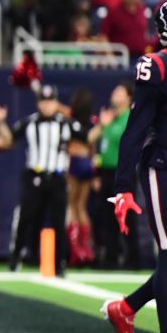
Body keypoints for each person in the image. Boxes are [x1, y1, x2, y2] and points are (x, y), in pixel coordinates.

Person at [102, 0, 167, 333]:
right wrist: (123, 187)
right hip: (164, 165)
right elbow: (135, 130)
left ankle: (125, 308)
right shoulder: (158, 67)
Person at [0, 85, 82, 275]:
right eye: (43, 101)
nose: (47, 105)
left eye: (50, 101)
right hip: (34, 176)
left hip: (57, 177)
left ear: (56, 103)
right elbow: (9, 140)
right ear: (38, 103)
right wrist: (1, 123)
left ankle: (59, 264)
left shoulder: (66, 123)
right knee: (25, 218)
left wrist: (102, 125)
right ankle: (16, 259)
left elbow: (87, 138)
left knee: (59, 222)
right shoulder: (29, 123)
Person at [89, 81, 137, 268]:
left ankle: (133, 257)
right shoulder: (109, 119)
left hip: (123, 173)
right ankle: (110, 257)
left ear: (128, 98)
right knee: (106, 217)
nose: (114, 95)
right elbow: (96, 144)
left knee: (126, 216)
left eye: (119, 92)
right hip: (106, 172)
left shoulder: (130, 118)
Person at [65, 89, 97, 267]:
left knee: (71, 206)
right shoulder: (92, 122)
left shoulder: (70, 122)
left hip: (74, 161)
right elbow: (92, 146)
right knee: (82, 207)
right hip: (87, 162)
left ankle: (75, 250)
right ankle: (86, 248)